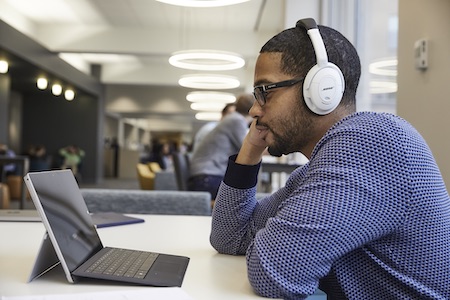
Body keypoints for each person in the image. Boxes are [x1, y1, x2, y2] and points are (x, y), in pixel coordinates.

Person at [210, 18, 450, 299]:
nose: (253, 110)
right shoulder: (315, 170)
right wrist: (250, 149)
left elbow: (274, 272)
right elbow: (229, 237)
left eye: (265, 92)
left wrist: (274, 238)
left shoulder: (374, 142)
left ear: (322, 89)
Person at [188, 94, 254, 199]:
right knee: (243, 197)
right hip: (208, 177)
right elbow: (249, 149)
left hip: (204, 176)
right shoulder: (237, 120)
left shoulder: (233, 119)